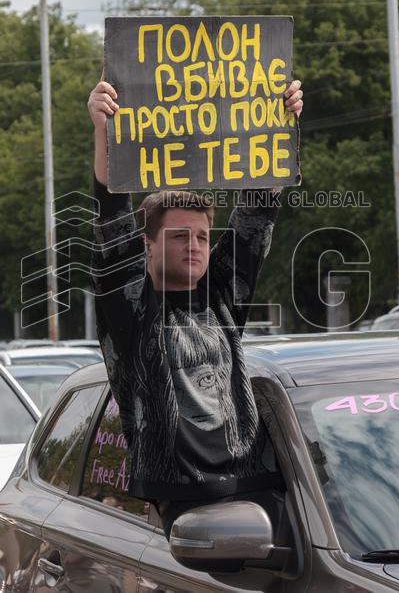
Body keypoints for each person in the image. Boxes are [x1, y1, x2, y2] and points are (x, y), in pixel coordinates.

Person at [88, 77, 304, 538]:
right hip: (182, 508)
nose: (196, 246)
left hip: (260, 489)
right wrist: (104, 130)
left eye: (203, 236)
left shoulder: (221, 297)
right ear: (146, 247)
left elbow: (257, 214)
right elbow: (111, 212)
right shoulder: (130, 310)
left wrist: (280, 122)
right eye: (180, 236)